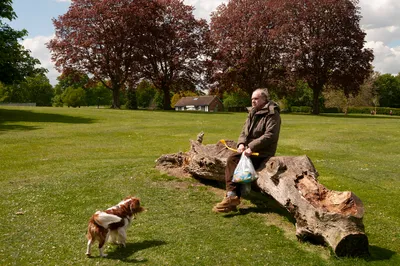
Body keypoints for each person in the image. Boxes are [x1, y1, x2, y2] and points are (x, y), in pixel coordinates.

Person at [213, 88, 281, 213]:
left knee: (233, 160)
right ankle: (232, 199)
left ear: (265, 99)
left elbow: (270, 135)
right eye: (252, 99)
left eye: (256, 99)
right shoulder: (253, 112)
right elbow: (244, 131)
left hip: (263, 152)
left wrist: (252, 147)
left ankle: (232, 196)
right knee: (235, 160)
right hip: (248, 149)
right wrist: (241, 144)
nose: (253, 101)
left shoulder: (273, 113)